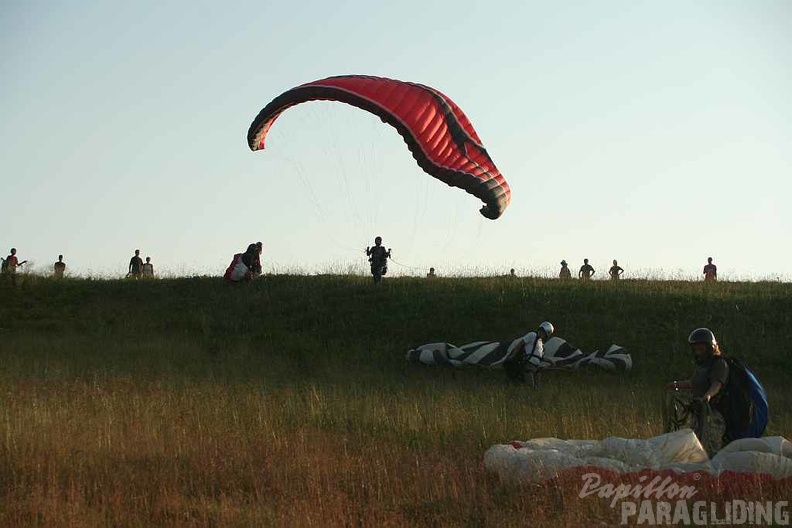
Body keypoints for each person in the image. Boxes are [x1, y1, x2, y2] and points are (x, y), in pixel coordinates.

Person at [665, 328, 729, 456]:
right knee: (695, 449)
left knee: (711, 450)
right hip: (698, 414)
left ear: (710, 347)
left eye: (701, 349)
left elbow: (717, 384)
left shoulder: (719, 364)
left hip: (713, 414)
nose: (698, 353)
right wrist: (676, 384)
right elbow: (693, 384)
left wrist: (708, 396)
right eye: (696, 349)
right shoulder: (702, 367)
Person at [503, 321, 555, 388]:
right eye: (542, 332)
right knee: (530, 387)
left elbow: (539, 357)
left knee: (537, 388)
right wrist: (513, 355)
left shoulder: (541, 344)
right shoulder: (532, 335)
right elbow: (520, 344)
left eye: (544, 333)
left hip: (536, 368)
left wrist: (550, 361)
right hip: (529, 366)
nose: (543, 334)